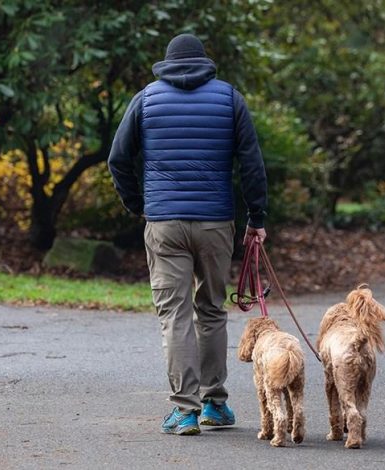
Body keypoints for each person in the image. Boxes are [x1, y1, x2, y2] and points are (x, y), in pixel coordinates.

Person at [108, 33, 267, 435]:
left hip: (165, 224)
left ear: (166, 63)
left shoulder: (146, 99)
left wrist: (137, 204)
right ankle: (214, 403)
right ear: (205, 60)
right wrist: (257, 218)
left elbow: (118, 158)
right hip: (215, 222)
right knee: (212, 309)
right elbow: (251, 163)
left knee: (175, 314)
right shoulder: (229, 98)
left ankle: (184, 410)